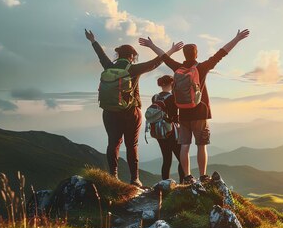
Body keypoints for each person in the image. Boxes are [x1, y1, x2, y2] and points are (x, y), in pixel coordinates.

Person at [146, 29, 250, 185]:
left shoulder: (177, 68)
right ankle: (203, 176)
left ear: (185, 55)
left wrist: (151, 45)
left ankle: (187, 177)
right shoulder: (201, 68)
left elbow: (164, 57)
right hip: (200, 113)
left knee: (184, 146)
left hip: (183, 114)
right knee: (201, 146)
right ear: (196, 54)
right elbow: (221, 53)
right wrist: (237, 39)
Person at [84, 29, 182, 187]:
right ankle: (134, 179)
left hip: (109, 113)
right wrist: (170, 51)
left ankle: (113, 176)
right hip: (131, 113)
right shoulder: (134, 69)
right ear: (132, 56)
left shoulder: (108, 66)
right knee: (132, 145)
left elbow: (101, 55)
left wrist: (93, 40)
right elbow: (157, 62)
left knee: (113, 143)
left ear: (118, 55)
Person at [151, 75, 184, 181]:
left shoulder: (155, 97)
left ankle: (165, 183)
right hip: (171, 132)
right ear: (171, 84)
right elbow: (174, 117)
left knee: (166, 159)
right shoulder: (172, 97)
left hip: (159, 131)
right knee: (182, 159)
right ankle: (183, 183)